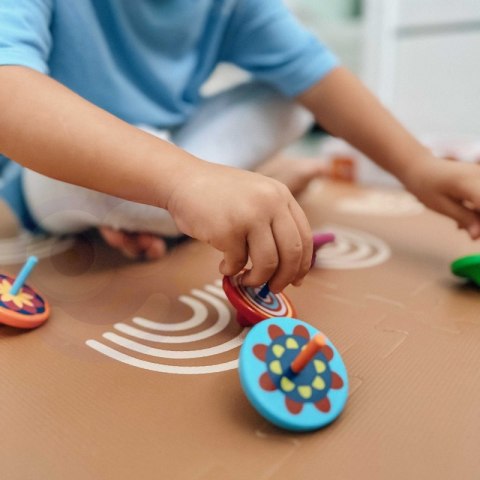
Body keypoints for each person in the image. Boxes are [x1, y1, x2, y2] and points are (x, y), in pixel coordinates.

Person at [1, 0, 479, 295]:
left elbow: (317, 76)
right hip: (46, 171)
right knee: (157, 185)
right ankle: (195, 197)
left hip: (170, 145)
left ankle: (189, 200)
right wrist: (184, 180)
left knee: (291, 101)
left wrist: (418, 167)